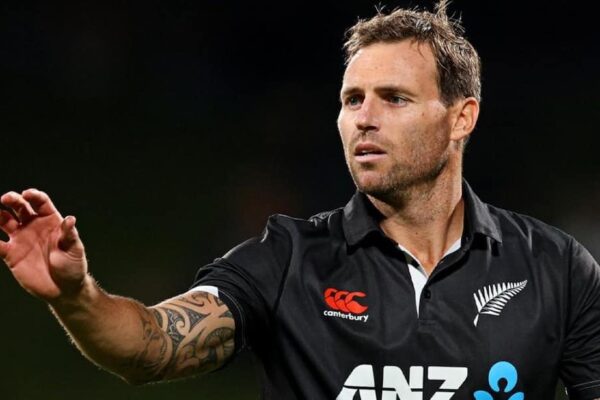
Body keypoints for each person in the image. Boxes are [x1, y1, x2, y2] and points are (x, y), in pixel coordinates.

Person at [1, 1, 599, 399]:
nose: (364, 119)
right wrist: (76, 296)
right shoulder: (288, 259)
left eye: (393, 98)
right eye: (352, 99)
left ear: (461, 118)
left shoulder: (555, 268)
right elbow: (151, 346)